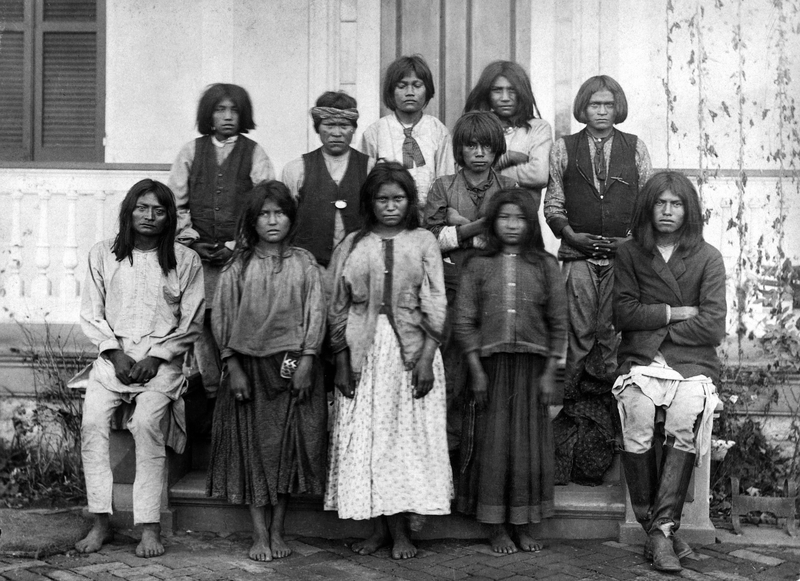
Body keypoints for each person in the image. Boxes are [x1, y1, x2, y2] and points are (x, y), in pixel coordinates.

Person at [325, 162, 452, 560]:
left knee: (403, 443)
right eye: (382, 199)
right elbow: (337, 306)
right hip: (365, 352)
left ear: (410, 202)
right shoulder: (351, 244)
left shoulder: (423, 242)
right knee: (370, 441)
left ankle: (402, 533)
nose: (390, 206)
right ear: (369, 203)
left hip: (411, 353)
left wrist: (426, 359)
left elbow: (436, 301)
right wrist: (343, 360)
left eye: (398, 199)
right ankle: (378, 530)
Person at [75, 179, 205, 557]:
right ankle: (101, 521)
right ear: (129, 211)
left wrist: (157, 357)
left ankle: (149, 526)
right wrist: (114, 354)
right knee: (92, 422)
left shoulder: (185, 260)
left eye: (159, 210)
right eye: (142, 208)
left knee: (147, 422)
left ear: (169, 217)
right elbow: (91, 313)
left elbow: (191, 321)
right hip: (113, 361)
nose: (149, 216)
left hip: (160, 365)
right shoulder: (103, 254)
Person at [206, 181, 327, 562]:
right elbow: (222, 319)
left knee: (286, 449)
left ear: (291, 218)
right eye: (264, 214)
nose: (273, 221)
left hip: (292, 365)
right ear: (252, 220)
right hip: (249, 369)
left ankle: (278, 529)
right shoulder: (237, 266)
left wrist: (307, 360)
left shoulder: (305, 263)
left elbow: (316, 314)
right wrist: (233, 366)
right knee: (254, 451)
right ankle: (259, 533)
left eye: (280, 213)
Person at [613, 171, 725, 573]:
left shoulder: (707, 257)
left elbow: (713, 325)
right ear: (648, 207)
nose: (667, 211)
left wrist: (654, 322)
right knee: (638, 417)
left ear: (687, 209)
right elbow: (623, 313)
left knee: (684, 416)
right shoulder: (629, 253)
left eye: (675, 204)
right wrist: (676, 313)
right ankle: (661, 530)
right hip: (642, 359)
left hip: (692, 363)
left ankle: (658, 532)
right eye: (660, 203)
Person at [454, 188, 567, 554]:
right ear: (492, 222)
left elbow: (558, 322)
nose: (512, 225)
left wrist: (551, 372)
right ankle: (495, 527)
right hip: (491, 369)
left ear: (530, 223)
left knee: (526, 450)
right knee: (495, 447)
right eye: (504, 217)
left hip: (532, 371)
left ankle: (522, 524)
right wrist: (476, 370)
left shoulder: (545, 266)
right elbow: (465, 321)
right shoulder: (477, 265)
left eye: (519, 218)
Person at [168, 83, 275, 408]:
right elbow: (175, 204)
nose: (227, 116)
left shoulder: (254, 153)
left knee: (237, 325)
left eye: (234, 110)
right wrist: (191, 242)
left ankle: (241, 399)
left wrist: (236, 244)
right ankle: (214, 397)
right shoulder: (190, 152)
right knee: (202, 327)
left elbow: (266, 204)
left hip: (240, 260)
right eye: (220, 109)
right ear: (209, 115)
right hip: (198, 260)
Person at [545, 74, 653, 390]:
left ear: (618, 108)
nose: (602, 111)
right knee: (577, 331)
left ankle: (613, 406)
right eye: (595, 104)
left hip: (622, 258)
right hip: (578, 256)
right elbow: (553, 202)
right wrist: (570, 235)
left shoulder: (635, 147)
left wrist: (631, 242)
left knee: (612, 331)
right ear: (584, 107)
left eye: (608, 104)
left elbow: (648, 203)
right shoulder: (563, 147)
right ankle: (573, 410)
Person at [423, 111, 516, 452]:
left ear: (497, 150)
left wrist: (460, 227)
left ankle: (486, 456)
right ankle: (445, 450)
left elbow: (512, 237)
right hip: (452, 289)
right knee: (451, 369)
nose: (479, 152)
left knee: (492, 370)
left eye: (486, 146)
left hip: (497, 291)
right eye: (471, 145)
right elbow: (431, 239)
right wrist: (481, 226)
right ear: (459, 150)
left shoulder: (509, 188)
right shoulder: (442, 186)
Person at [282, 91, 374, 268]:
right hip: (309, 266)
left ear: (354, 128)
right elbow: (286, 220)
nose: (337, 133)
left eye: (344, 125)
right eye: (329, 125)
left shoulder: (370, 168)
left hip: (359, 266)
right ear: (317, 128)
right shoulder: (296, 169)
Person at [360, 55, 454, 206]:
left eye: (417, 85)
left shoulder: (438, 131)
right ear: (391, 91)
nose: (410, 92)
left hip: (429, 215)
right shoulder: (375, 132)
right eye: (402, 86)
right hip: (389, 214)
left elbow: (446, 178)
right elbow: (365, 180)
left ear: (427, 90)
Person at [464, 61, 552, 210]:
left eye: (512, 90)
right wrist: (510, 157)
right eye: (497, 90)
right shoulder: (475, 126)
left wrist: (495, 169)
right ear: (487, 93)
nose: (505, 97)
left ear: (522, 92)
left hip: (522, 219)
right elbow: (467, 176)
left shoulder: (537, 128)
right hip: (480, 218)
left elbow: (539, 174)